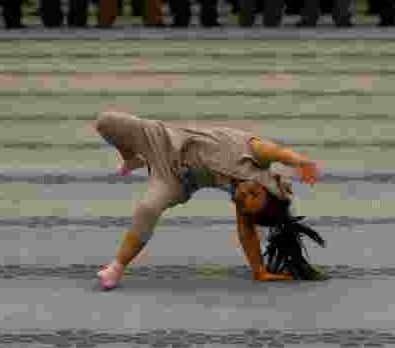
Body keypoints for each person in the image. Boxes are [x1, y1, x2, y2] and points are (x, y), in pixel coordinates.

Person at [93, 111, 325, 291]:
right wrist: (301, 161)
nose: (243, 194)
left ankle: (117, 266)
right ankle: (131, 159)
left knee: (148, 208)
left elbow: (246, 234)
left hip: (174, 179)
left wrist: (259, 271)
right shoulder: (255, 156)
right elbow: (277, 151)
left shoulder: (242, 198)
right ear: (267, 188)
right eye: (253, 194)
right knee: (106, 122)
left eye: (243, 202)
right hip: (165, 139)